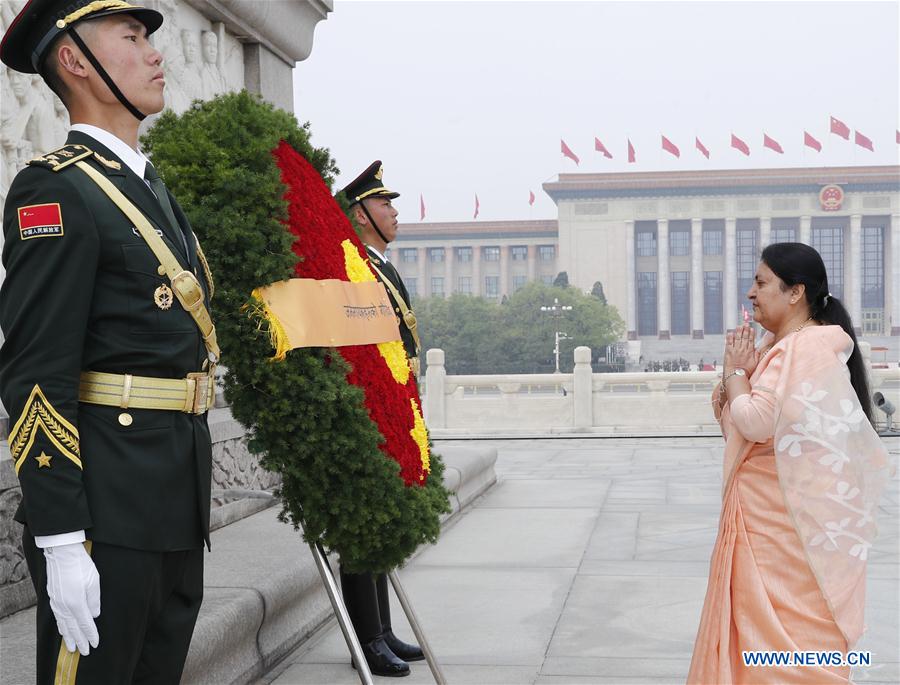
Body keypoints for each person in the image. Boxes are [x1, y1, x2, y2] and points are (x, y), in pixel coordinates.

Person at [0, 1, 218, 682]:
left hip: (174, 499)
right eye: (131, 37)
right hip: (108, 512)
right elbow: (36, 373)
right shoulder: (57, 191)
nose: (156, 53)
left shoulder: (147, 187)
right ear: (75, 61)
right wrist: (61, 539)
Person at [688, 243, 889, 684]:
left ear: (795, 292)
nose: (750, 293)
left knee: (787, 642)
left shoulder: (809, 348)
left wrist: (737, 375)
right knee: (760, 639)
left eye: (761, 283)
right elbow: (738, 427)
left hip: (784, 525)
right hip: (764, 517)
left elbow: (758, 421)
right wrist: (737, 375)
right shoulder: (781, 347)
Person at [337, 161, 423, 677]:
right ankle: (366, 639)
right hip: (370, 415)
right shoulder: (355, 268)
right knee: (361, 529)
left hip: (395, 408)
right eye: (384, 204)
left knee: (381, 527)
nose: (394, 213)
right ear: (361, 214)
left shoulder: (381, 265)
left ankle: (383, 630)